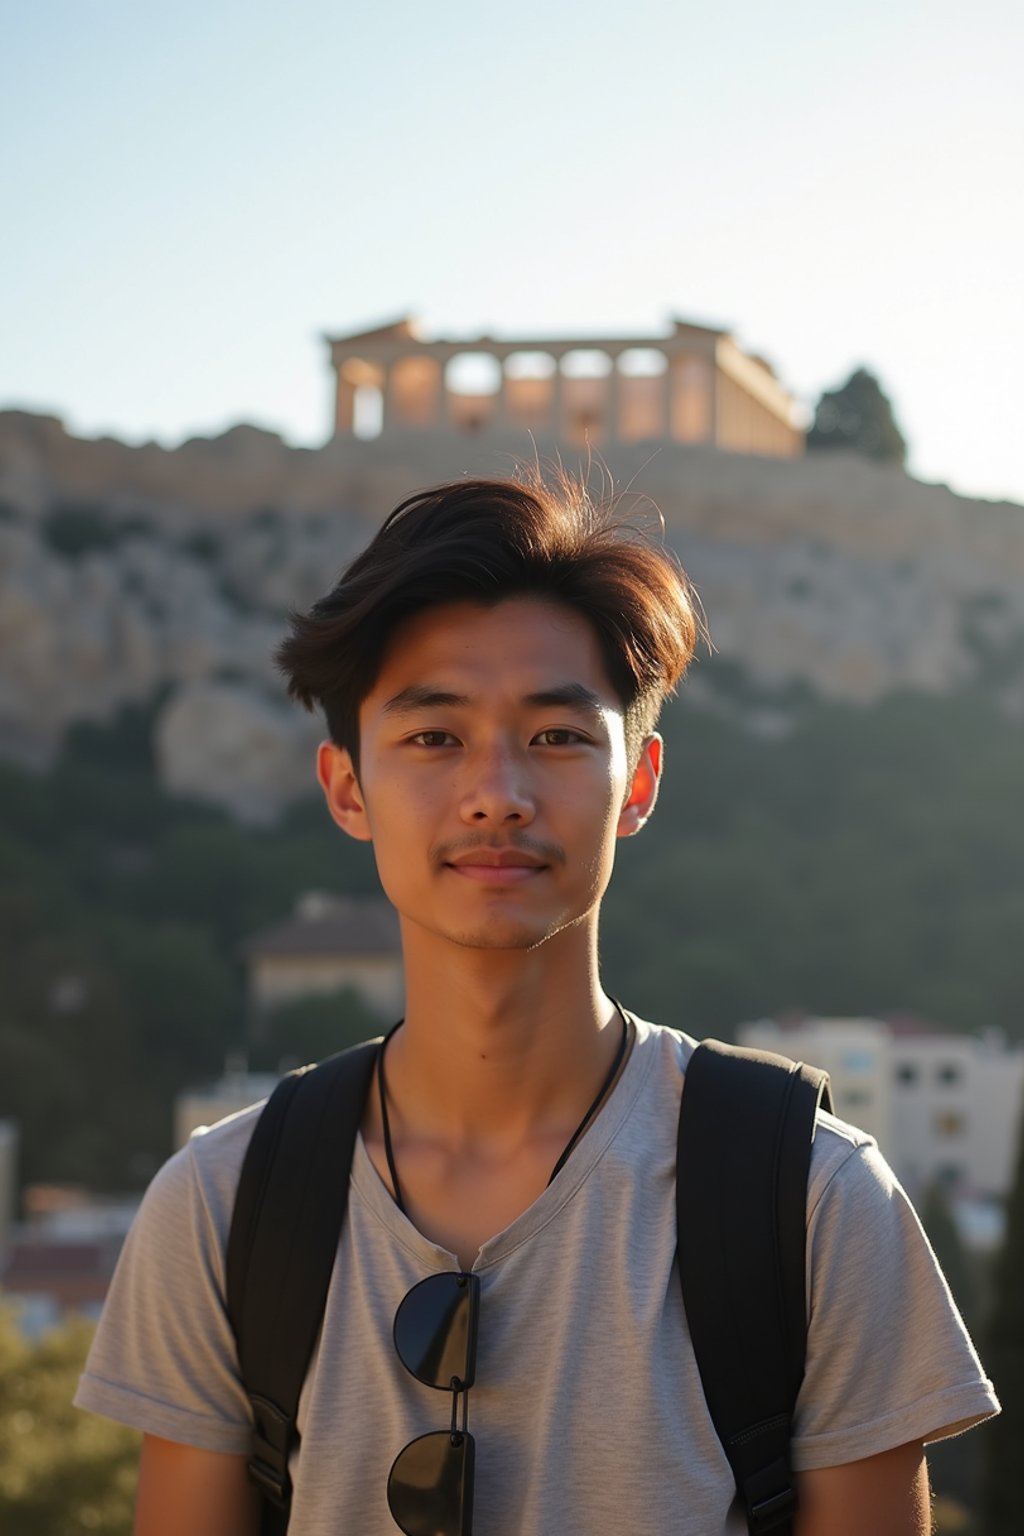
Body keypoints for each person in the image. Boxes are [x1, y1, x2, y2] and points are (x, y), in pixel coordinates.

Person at [76, 472, 998, 1536]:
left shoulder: (814, 1200)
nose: (497, 791)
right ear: (345, 789)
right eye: (433, 737)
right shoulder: (225, 1206)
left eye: (557, 737)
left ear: (639, 783)